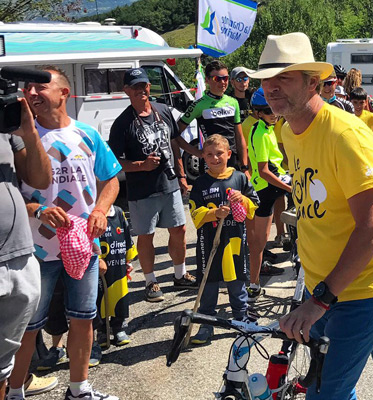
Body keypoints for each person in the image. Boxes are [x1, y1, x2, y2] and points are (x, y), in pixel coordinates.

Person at [250, 32, 373, 399]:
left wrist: (319, 301)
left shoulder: (345, 135)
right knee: (314, 386)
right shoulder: (287, 129)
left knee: (327, 394)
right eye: (266, 79)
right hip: (323, 288)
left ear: (312, 82)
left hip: (361, 293)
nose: (271, 88)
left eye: (284, 78)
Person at [12, 65, 121, 400]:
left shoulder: (87, 134)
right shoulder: (19, 140)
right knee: (27, 327)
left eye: (39, 88)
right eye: (27, 89)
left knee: (83, 319)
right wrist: (38, 211)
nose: (31, 94)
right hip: (36, 249)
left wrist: (101, 210)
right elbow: (13, 194)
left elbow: (111, 179)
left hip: (82, 246)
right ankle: (14, 391)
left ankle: (79, 389)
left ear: (64, 93)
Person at [108, 68, 195, 303]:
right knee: (146, 236)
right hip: (142, 190)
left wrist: (182, 175)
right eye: (135, 87)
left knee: (179, 229)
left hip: (170, 185)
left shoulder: (164, 110)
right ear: (126, 91)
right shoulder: (122, 123)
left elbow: (175, 143)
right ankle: (150, 281)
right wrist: (140, 165)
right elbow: (113, 162)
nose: (141, 90)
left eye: (144, 85)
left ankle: (179, 274)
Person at [0, 94, 53, 400]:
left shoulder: (6, 126)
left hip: (18, 257)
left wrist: (29, 134)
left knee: (1, 369)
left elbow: (39, 178)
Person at [188, 135, 259, 344]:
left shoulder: (239, 178)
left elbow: (254, 204)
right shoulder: (200, 183)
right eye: (209, 154)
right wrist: (213, 214)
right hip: (209, 242)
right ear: (203, 157)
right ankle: (206, 323)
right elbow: (194, 212)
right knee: (209, 283)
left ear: (228, 154)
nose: (215, 158)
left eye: (219, 153)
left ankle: (241, 319)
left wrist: (242, 200)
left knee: (236, 282)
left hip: (235, 239)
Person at [246, 88, 290, 300]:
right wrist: (290, 187)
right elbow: (264, 170)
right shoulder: (261, 132)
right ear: (258, 112)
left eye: (274, 108)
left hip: (275, 181)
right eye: (266, 110)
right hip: (265, 189)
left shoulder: (268, 128)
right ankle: (253, 283)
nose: (272, 113)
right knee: (259, 242)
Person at [176, 60, 250, 176]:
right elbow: (175, 134)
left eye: (225, 78)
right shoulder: (198, 105)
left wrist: (245, 167)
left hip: (231, 160)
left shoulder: (233, 102)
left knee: (234, 194)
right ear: (207, 80)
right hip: (210, 162)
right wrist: (198, 153)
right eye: (217, 79)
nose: (222, 82)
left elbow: (239, 137)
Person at [97, 204, 137, 346]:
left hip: (118, 263)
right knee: (99, 297)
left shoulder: (118, 212)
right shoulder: (91, 213)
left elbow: (127, 235)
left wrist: (128, 259)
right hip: (100, 266)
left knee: (119, 296)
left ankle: (119, 327)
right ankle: (102, 330)